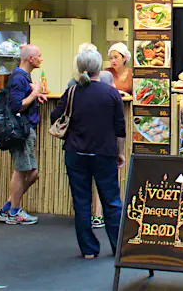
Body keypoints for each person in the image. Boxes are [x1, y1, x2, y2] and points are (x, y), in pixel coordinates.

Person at [51, 47, 126, 258]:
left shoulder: (72, 92)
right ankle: (118, 247)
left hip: (76, 153)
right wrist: (119, 152)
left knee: (81, 201)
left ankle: (89, 250)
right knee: (111, 201)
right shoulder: (111, 93)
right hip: (104, 153)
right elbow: (120, 127)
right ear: (99, 68)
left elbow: (55, 116)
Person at [0, 44, 47, 225]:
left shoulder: (24, 77)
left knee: (32, 172)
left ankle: (8, 206)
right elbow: (17, 105)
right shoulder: (19, 78)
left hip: (26, 129)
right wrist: (34, 93)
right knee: (21, 171)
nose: (41, 58)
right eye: (39, 55)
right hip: (21, 130)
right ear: (30, 59)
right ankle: (14, 211)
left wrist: (34, 95)